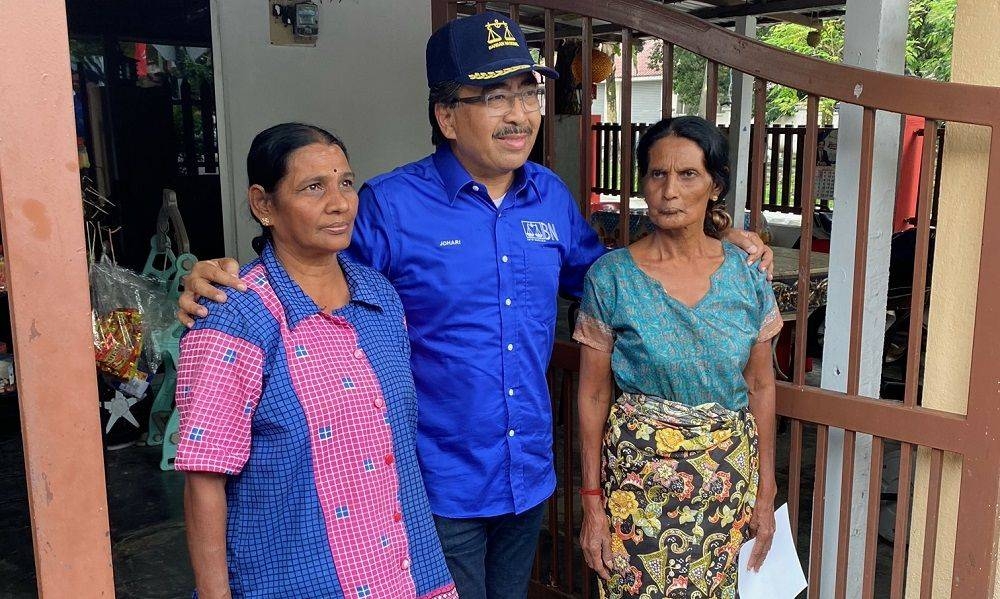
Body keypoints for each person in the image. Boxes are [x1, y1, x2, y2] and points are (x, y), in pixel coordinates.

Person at [177, 13, 772, 599]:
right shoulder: (389, 205)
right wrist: (220, 276)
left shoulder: (550, 199)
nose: (518, 114)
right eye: (493, 96)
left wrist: (712, 239)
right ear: (446, 116)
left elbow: (620, 285)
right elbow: (306, 269)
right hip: (436, 482)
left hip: (528, 474)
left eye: (526, 92)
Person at [175, 123, 456, 599]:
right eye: (313, 187)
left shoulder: (380, 298)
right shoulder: (236, 316)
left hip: (402, 571)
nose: (339, 203)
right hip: (293, 576)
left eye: (346, 182)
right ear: (264, 204)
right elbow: (205, 478)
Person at [574, 116, 780, 598]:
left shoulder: (746, 276)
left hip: (726, 487)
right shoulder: (612, 278)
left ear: (715, 186)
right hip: (637, 489)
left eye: (688, 175)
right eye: (657, 174)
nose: (669, 191)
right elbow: (593, 394)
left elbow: (761, 386)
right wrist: (591, 503)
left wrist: (766, 491)